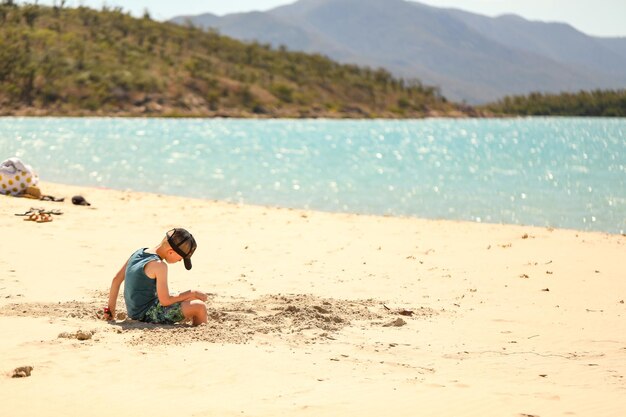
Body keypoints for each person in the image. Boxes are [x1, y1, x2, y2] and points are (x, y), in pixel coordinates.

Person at [104, 228, 208, 326]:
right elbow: (165, 301)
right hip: (147, 315)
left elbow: (116, 280)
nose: (180, 261)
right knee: (199, 307)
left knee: (189, 298)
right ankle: (202, 335)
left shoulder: (139, 252)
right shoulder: (159, 265)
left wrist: (110, 312)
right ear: (171, 252)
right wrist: (192, 292)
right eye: (181, 258)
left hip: (136, 311)